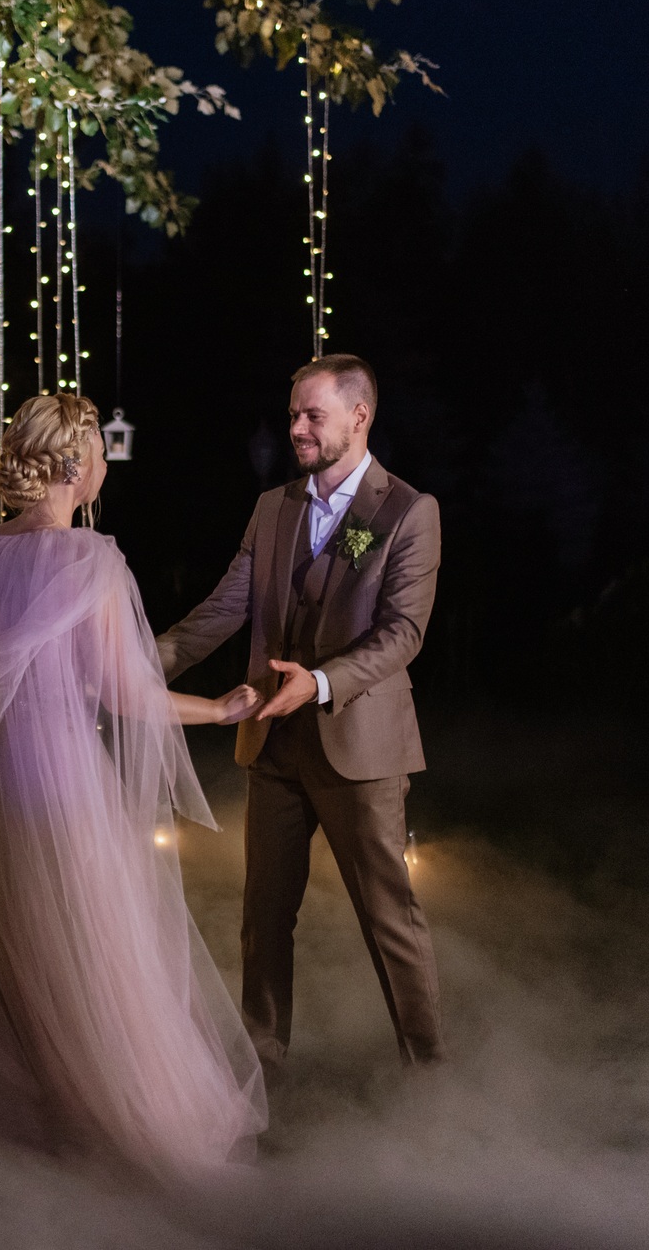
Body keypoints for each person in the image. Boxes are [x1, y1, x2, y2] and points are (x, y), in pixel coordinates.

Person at [0, 393, 266, 1180]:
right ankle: (109, 1127)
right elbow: (121, 692)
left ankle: (23, 1122)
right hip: (52, 787)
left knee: (12, 951)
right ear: (76, 466)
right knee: (87, 954)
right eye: (100, 453)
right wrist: (217, 707)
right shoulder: (87, 560)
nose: (105, 465)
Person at [157, 354, 444, 1071]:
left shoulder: (408, 511)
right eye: (293, 415)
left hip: (361, 750)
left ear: (360, 415)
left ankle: (429, 1066)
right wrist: (135, 664)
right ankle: (263, 1062)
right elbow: (225, 607)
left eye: (313, 414)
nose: (297, 429)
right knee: (262, 919)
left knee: (389, 919)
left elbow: (402, 635)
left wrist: (317, 682)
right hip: (274, 748)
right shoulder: (273, 507)